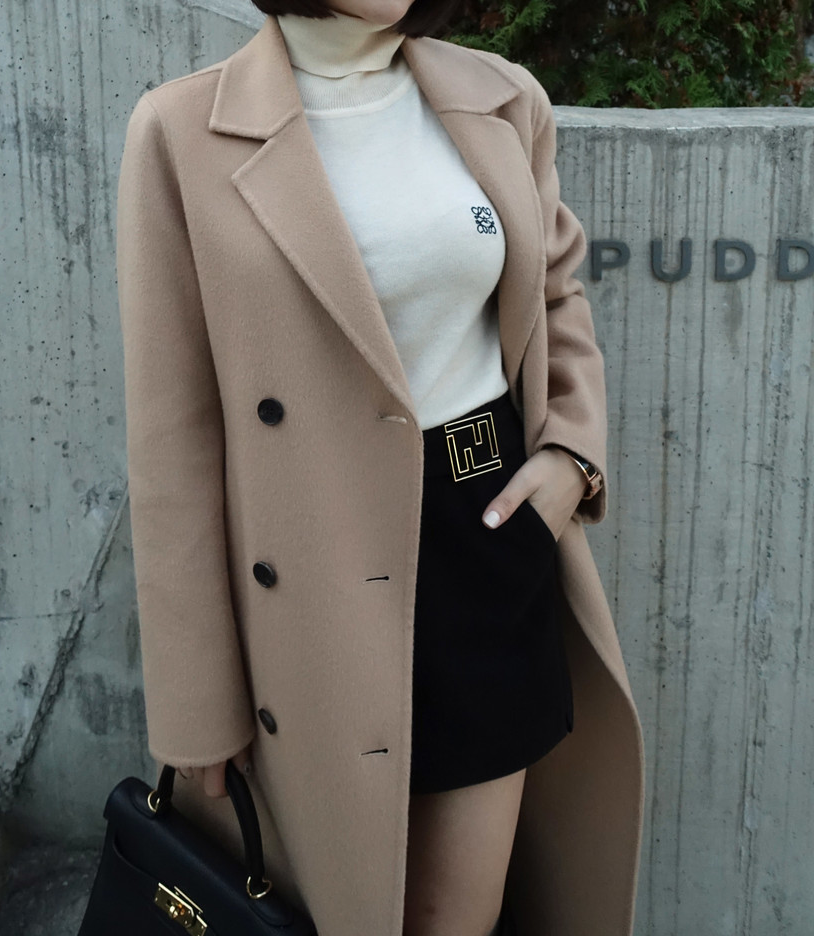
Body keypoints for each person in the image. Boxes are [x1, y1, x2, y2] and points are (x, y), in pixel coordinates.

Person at [114, 0, 645, 934]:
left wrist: (571, 453)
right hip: (308, 593)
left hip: (488, 541)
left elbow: (555, 290)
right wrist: (196, 701)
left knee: (457, 916)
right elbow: (173, 439)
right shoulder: (181, 131)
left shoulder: (502, 98)